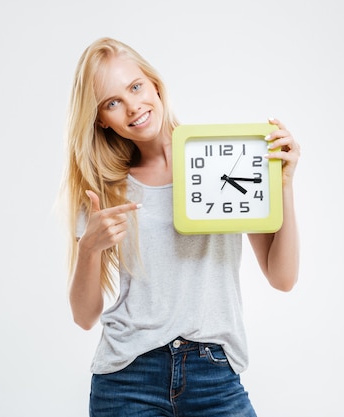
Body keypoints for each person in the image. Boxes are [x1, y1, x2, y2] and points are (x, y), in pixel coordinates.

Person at [62, 37, 301, 416]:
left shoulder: (227, 155)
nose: (133, 106)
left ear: (155, 84)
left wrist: (282, 185)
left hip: (215, 373)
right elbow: (84, 315)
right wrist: (90, 248)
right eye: (112, 102)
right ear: (100, 120)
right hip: (128, 378)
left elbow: (282, 277)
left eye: (136, 87)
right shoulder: (106, 189)